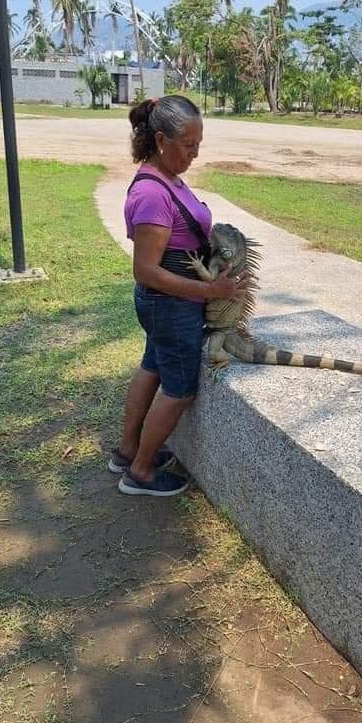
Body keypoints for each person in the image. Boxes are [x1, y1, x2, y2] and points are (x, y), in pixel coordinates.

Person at [112, 95, 248, 497]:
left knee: (152, 367)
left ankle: (127, 450)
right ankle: (139, 473)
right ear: (160, 140)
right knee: (179, 390)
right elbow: (147, 270)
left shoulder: (166, 176)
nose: (194, 153)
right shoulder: (153, 193)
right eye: (188, 145)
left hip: (167, 308)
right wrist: (212, 289)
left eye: (198, 144)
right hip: (170, 306)